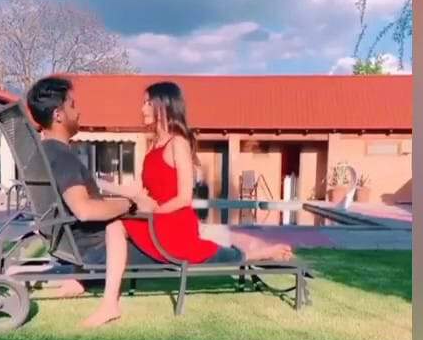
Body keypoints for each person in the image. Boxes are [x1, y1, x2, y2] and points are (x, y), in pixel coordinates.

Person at [23, 76, 156, 328]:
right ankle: (110, 305)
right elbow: (84, 210)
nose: (79, 111)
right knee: (190, 247)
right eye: (72, 105)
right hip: (95, 251)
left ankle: (80, 280)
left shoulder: (44, 153)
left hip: (74, 247)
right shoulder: (63, 157)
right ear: (58, 115)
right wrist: (130, 204)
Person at [121, 81, 294, 265]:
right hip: (154, 220)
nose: (142, 109)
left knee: (212, 252)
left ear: (164, 106)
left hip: (172, 224)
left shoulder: (178, 143)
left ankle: (264, 252)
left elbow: (184, 198)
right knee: (115, 224)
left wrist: (154, 211)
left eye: (148, 103)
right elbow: (145, 191)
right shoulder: (152, 147)